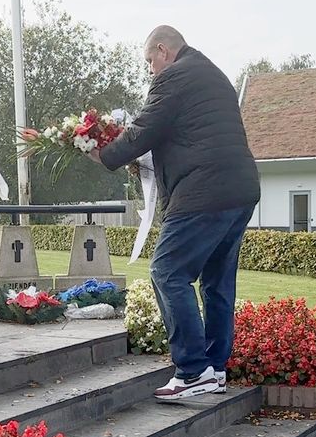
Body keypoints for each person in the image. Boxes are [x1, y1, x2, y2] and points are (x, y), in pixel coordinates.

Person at [88, 25, 261, 400]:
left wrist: (104, 155)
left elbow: (143, 130)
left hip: (203, 194)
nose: (150, 70)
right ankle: (215, 369)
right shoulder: (213, 74)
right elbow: (188, 134)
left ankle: (192, 370)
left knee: (166, 271)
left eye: (150, 61)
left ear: (163, 50)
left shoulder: (174, 78)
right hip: (240, 191)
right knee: (217, 284)